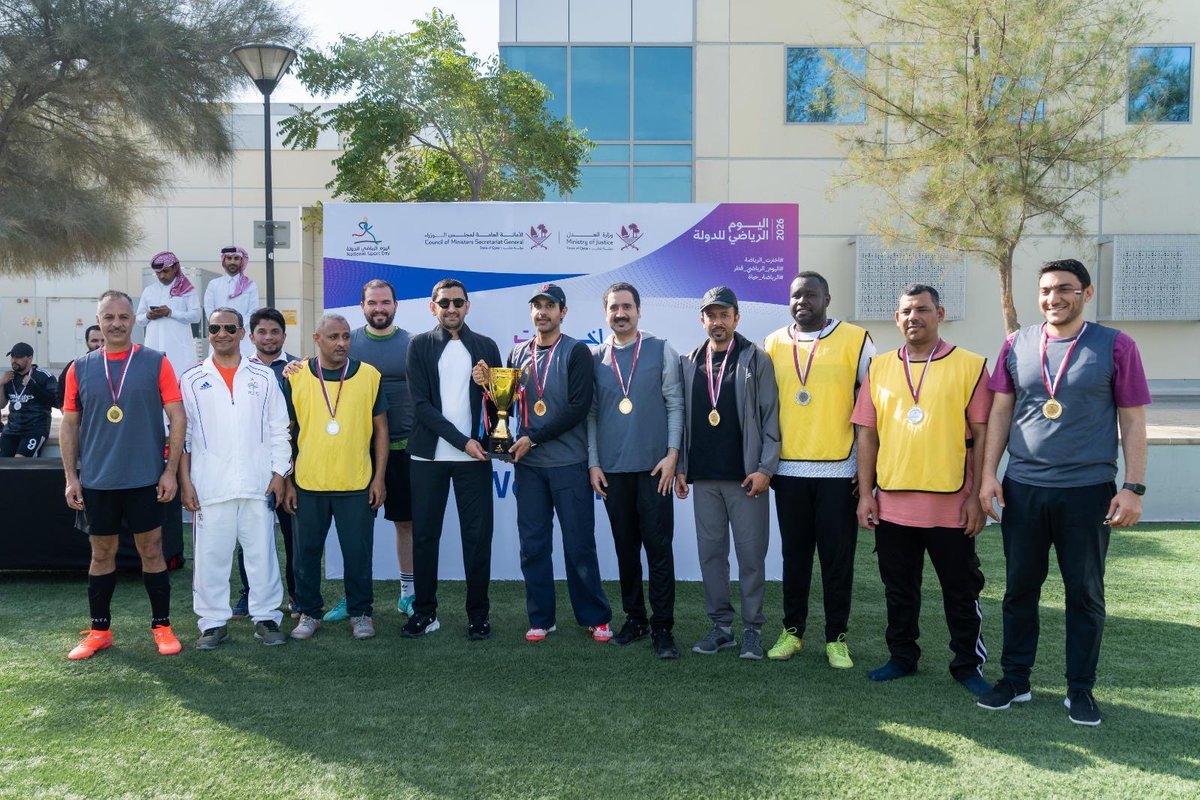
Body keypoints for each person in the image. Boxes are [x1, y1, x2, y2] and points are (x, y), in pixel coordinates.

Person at [976, 259, 1150, 727]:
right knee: (1019, 590)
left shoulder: (1116, 346)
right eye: (1046, 290)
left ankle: (1080, 690)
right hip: (1024, 488)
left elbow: (1133, 420)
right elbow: (1000, 413)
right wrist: (989, 474)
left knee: (1085, 594)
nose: (1054, 299)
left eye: (1065, 290)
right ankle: (1015, 681)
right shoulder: (1017, 343)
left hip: (1088, 491)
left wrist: (1132, 487)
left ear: (1086, 294)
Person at [852, 284, 992, 696]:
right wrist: (865, 494)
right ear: (896, 318)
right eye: (907, 311)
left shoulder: (969, 366)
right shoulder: (878, 368)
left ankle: (968, 664)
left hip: (952, 506)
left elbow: (984, 435)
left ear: (940, 313)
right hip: (893, 504)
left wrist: (976, 496)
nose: (914, 317)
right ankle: (901, 657)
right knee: (899, 590)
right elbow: (866, 436)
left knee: (962, 590)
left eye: (923, 310)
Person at [473, 283, 612, 643]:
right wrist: (486, 387)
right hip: (529, 467)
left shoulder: (576, 351)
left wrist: (532, 437)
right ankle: (541, 617)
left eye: (550, 306)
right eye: (537, 306)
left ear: (563, 312)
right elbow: (502, 408)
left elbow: (578, 407)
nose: (543, 312)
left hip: (569, 463)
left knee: (579, 544)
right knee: (533, 544)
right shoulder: (517, 354)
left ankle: (595, 616)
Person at [60, 290, 186, 660]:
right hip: (98, 481)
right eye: (108, 317)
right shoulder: (79, 367)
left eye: (124, 317)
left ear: (134, 320)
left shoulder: (156, 362)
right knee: (102, 554)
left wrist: (170, 471)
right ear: (97, 320)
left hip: (146, 478)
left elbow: (177, 417)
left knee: (152, 550)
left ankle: (162, 627)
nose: (116, 324)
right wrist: (71, 477)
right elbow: (69, 426)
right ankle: (99, 631)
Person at [762, 272, 874, 667]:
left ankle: (836, 637)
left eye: (810, 294)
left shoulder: (857, 340)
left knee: (836, 560)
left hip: (838, 472)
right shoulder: (774, 342)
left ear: (827, 297)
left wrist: (866, 475)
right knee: (794, 559)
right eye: (796, 295)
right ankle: (792, 632)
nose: (802, 301)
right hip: (789, 471)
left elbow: (870, 412)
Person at [675, 286, 780, 660]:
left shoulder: (756, 359)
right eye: (710, 315)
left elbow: (771, 419)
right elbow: (682, 421)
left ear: (736, 317)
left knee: (751, 556)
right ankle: (721, 627)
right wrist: (682, 469)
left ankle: (752, 629)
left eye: (724, 315)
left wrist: (766, 468)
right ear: (702, 320)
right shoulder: (689, 361)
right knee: (711, 555)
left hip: (746, 479)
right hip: (704, 478)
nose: (717, 322)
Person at [178, 308, 291, 648]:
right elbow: (184, 437)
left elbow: (279, 430)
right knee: (211, 557)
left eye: (230, 327)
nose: (222, 333)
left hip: (258, 484)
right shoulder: (192, 378)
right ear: (208, 333)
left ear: (243, 333)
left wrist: (279, 474)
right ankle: (212, 622)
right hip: (211, 486)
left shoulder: (264, 376)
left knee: (263, 555)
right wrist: (185, 481)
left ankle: (267, 617)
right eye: (215, 328)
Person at [587, 282, 684, 659]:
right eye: (614, 308)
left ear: (639, 311)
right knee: (626, 551)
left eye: (627, 306)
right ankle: (636, 619)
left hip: (654, 470)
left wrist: (672, 454)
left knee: (659, 551)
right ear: (606, 313)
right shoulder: (596, 357)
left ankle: (663, 628)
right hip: (613, 472)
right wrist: (594, 463)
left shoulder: (661, 350)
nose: (621, 313)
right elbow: (591, 416)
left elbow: (675, 404)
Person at [402, 279, 502, 640]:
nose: (451, 309)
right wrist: (463, 442)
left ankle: (479, 615)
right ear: (433, 307)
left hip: (474, 459)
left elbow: (499, 408)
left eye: (458, 302)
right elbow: (421, 407)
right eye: (444, 303)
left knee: (477, 539)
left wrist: (487, 385)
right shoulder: (419, 346)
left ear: (467, 306)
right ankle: (425, 612)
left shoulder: (486, 347)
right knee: (426, 537)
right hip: (429, 457)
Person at [282, 313, 388, 641]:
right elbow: (284, 433)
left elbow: (381, 430)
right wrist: (287, 481)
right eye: (333, 337)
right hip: (309, 484)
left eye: (345, 336)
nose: (341, 343)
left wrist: (379, 478)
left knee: (358, 554)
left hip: (356, 483)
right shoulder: (296, 376)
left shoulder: (369, 375)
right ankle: (310, 613)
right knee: (305, 555)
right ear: (317, 339)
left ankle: (360, 613)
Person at [324, 279, 415, 622]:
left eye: (385, 302)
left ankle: (407, 594)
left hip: (404, 448)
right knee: (357, 529)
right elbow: (318, 372)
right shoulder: (350, 344)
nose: (379, 308)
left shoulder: (412, 343)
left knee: (405, 523)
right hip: (359, 451)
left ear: (395, 305)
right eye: (372, 303)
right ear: (362, 306)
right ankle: (354, 596)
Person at [248, 306, 300, 617]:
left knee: (295, 539)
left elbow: (301, 424)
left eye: (275, 331)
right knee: (251, 540)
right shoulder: (240, 369)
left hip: (292, 470)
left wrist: (289, 475)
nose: (268, 337)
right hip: (252, 469)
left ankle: (298, 597)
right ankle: (249, 596)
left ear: (284, 334)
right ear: (251, 335)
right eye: (262, 332)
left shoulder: (300, 369)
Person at [136, 251, 201, 379]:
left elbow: (196, 316)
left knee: (180, 381)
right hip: (154, 347)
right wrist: (148, 316)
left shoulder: (187, 290)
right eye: (158, 273)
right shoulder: (149, 291)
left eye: (165, 271)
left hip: (178, 349)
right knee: (154, 381)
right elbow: (139, 319)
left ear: (175, 268)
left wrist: (171, 313)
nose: (162, 276)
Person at [2, 342, 58, 457]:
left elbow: (57, 402)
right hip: (11, 430)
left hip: (34, 430)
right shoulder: (9, 377)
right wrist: (1, 384)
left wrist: (34, 388)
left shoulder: (43, 376)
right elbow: (1, 405)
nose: (14, 360)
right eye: (12, 357)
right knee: (3, 463)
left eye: (18, 357)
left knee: (20, 462)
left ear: (30, 358)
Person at [202, 246, 260, 358]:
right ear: (224, 260)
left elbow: (253, 311)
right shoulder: (214, 284)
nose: (232, 262)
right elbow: (209, 310)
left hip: (243, 336)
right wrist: (222, 328)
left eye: (236, 258)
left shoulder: (250, 285)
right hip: (219, 334)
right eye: (229, 258)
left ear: (241, 261)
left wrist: (237, 327)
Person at [57, 325, 103, 408]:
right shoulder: (77, 366)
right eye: (94, 341)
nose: (100, 344)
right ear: (86, 343)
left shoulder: (120, 364)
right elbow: (60, 391)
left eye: (103, 340)